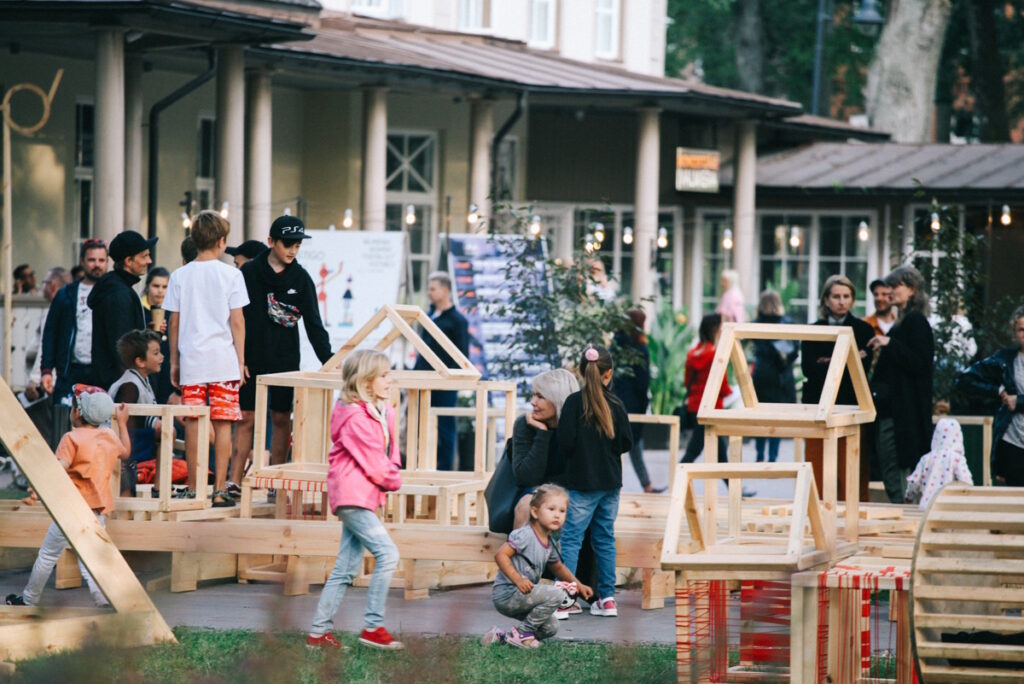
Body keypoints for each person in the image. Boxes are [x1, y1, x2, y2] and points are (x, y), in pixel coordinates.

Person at [307, 350, 404, 651]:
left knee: (346, 568)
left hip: (361, 495)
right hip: (352, 495)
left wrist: (388, 414)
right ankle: (373, 627)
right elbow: (374, 461)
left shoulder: (375, 411)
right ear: (365, 380)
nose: (391, 380)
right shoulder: (353, 416)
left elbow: (390, 451)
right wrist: (394, 479)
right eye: (385, 375)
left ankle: (318, 634)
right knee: (388, 554)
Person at [231, 215, 333, 497]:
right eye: (287, 244)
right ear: (271, 242)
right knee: (245, 418)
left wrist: (331, 361)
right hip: (249, 360)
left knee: (280, 418)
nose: (292, 250)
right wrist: (236, 359)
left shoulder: (301, 278)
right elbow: (233, 318)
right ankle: (233, 483)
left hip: (285, 361)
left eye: (297, 245)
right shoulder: (248, 273)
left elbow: (314, 324)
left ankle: (276, 482)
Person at [5, 386, 130, 607]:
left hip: (70, 511)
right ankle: (104, 600)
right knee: (92, 559)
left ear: (78, 413)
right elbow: (127, 453)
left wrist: (36, 491)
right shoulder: (109, 436)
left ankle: (29, 599)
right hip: (96, 512)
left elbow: (57, 469)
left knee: (47, 556)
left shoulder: (71, 439)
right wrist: (122, 422)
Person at [163, 211, 248, 507]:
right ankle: (221, 487)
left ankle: (193, 485)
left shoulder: (179, 276)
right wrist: (240, 360)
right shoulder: (232, 275)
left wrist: (174, 361)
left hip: (192, 361)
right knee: (223, 424)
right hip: (223, 360)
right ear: (222, 241)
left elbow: (173, 322)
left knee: (193, 424)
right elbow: (237, 321)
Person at [556, 345, 632, 618]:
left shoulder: (573, 404)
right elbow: (626, 443)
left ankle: (564, 599)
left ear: (579, 371)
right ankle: (607, 599)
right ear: (608, 374)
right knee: (605, 539)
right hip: (611, 485)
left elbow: (564, 443)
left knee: (572, 539)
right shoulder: (617, 405)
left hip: (581, 485)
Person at [481, 484, 594, 649]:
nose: (557, 515)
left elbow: (558, 567)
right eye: (551, 509)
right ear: (535, 512)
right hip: (508, 593)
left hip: (524, 595)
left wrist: (578, 585)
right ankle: (522, 634)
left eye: (562, 511)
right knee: (557, 594)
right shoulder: (525, 535)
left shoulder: (550, 541)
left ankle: (501, 637)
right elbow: (501, 555)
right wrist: (518, 579)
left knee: (551, 627)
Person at [801, 274, 874, 503]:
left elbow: (862, 370)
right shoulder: (813, 330)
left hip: (852, 404)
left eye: (846, 296)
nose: (841, 301)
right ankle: (817, 514)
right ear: (826, 300)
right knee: (817, 465)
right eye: (836, 296)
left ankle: (853, 517)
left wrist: (827, 361)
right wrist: (848, 358)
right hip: (818, 405)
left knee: (851, 467)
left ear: (852, 299)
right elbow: (809, 369)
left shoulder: (863, 330)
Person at [867, 266, 935, 503]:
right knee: (892, 465)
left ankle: (905, 514)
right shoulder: (904, 322)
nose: (889, 291)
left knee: (895, 466)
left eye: (896, 286)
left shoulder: (915, 322)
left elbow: (920, 362)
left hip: (903, 412)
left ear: (912, 290)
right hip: (897, 409)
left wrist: (889, 343)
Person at [40, 239, 109, 445]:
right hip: (70, 370)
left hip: (101, 372)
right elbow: (51, 332)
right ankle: (60, 474)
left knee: (100, 430)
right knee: (63, 427)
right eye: (92, 260)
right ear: (82, 261)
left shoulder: (111, 292)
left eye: (101, 260)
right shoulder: (66, 293)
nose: (97, 264)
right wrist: (46, 370)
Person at [681, 314, 756, 497]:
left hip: (695, 406)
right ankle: (679, 484)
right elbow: (722, 387)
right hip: (712, 408)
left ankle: (735, 490)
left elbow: (686, 382)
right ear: (715, 330)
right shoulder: (716, 355)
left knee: (717, 452)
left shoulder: (693, 354)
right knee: (694, 451)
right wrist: (733, 392)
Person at [955, 304, 1024, 486]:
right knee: (1013, 503)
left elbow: (1017, 401)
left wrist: (1019, 401)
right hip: (1013, 440)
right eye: (1021, 329)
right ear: (1014, 331)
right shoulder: (1005, 359)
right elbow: (964, 380)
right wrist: (997, 391)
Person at [413, 271, 469, 470]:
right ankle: (420, 465)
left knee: (445, 427)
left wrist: (451, 378)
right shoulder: (428, 316)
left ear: (445, 291)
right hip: (422, 379)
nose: (429, 293)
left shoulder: (457, 320)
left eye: (433, 288)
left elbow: (462, 354)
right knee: (419, 425)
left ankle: (444, 468)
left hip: (445, 382)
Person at [510, 368, 580, 528]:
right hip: (535, 489)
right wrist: (542, 434)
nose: (533, 402)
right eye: (534, 395)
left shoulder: (579, 426)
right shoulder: (525, 424)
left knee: (567, 509)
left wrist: (554, 497)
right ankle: (521, 553)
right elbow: (525, 478)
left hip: (571, 490)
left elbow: (578, 475)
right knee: (526, 505)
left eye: (540, 396)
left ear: (558, 399)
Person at [88, 230, 156, 389]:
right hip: (120, 387)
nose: (149, 260)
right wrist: (132, 387)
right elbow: (123, 347)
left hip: (116, 383)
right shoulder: (119, 294)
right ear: (128, 261)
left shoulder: (117, 289)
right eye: (144, 256)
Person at [109, 329, 164, 496]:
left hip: (130, 434)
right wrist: (154, 426)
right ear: (140, 361)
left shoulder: (143, 379)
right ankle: (139, 490)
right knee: (166, 431)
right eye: (156, 353)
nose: (162, 357)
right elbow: (125, 418)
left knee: (167, 429)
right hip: (121, 435)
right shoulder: (130, 386)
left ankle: (158, 485)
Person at [612, 308, 660, 492]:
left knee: (616, 446)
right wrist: (644, 403)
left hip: (615, 401)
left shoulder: (615, 347)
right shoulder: (640, 349)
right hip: (633, 405)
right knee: (634, 444)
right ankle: (646, 484)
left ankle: (642, 484)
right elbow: (643, 381)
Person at [751, 290, 798, 463]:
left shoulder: (755, 324)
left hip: (762, 374)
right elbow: (794, 351)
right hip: (781, 375)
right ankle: (772, 457)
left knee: (760, 417)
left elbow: (755, 348)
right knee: (776, 418)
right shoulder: (788, 323)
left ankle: (759, 454)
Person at [905, 417, 972, 509]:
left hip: (926, 508)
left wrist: (909, 497)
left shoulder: (926, 459)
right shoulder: (957, 459)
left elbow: (914, 481)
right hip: (949, 508)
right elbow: (966, 482)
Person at [141, 267, 174, 404]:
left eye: (164, 287)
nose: (160, 290)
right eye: (156, 286)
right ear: (148, 286)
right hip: (146, 370)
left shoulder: (173, 312)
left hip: (167, 371)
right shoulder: (140, 309)